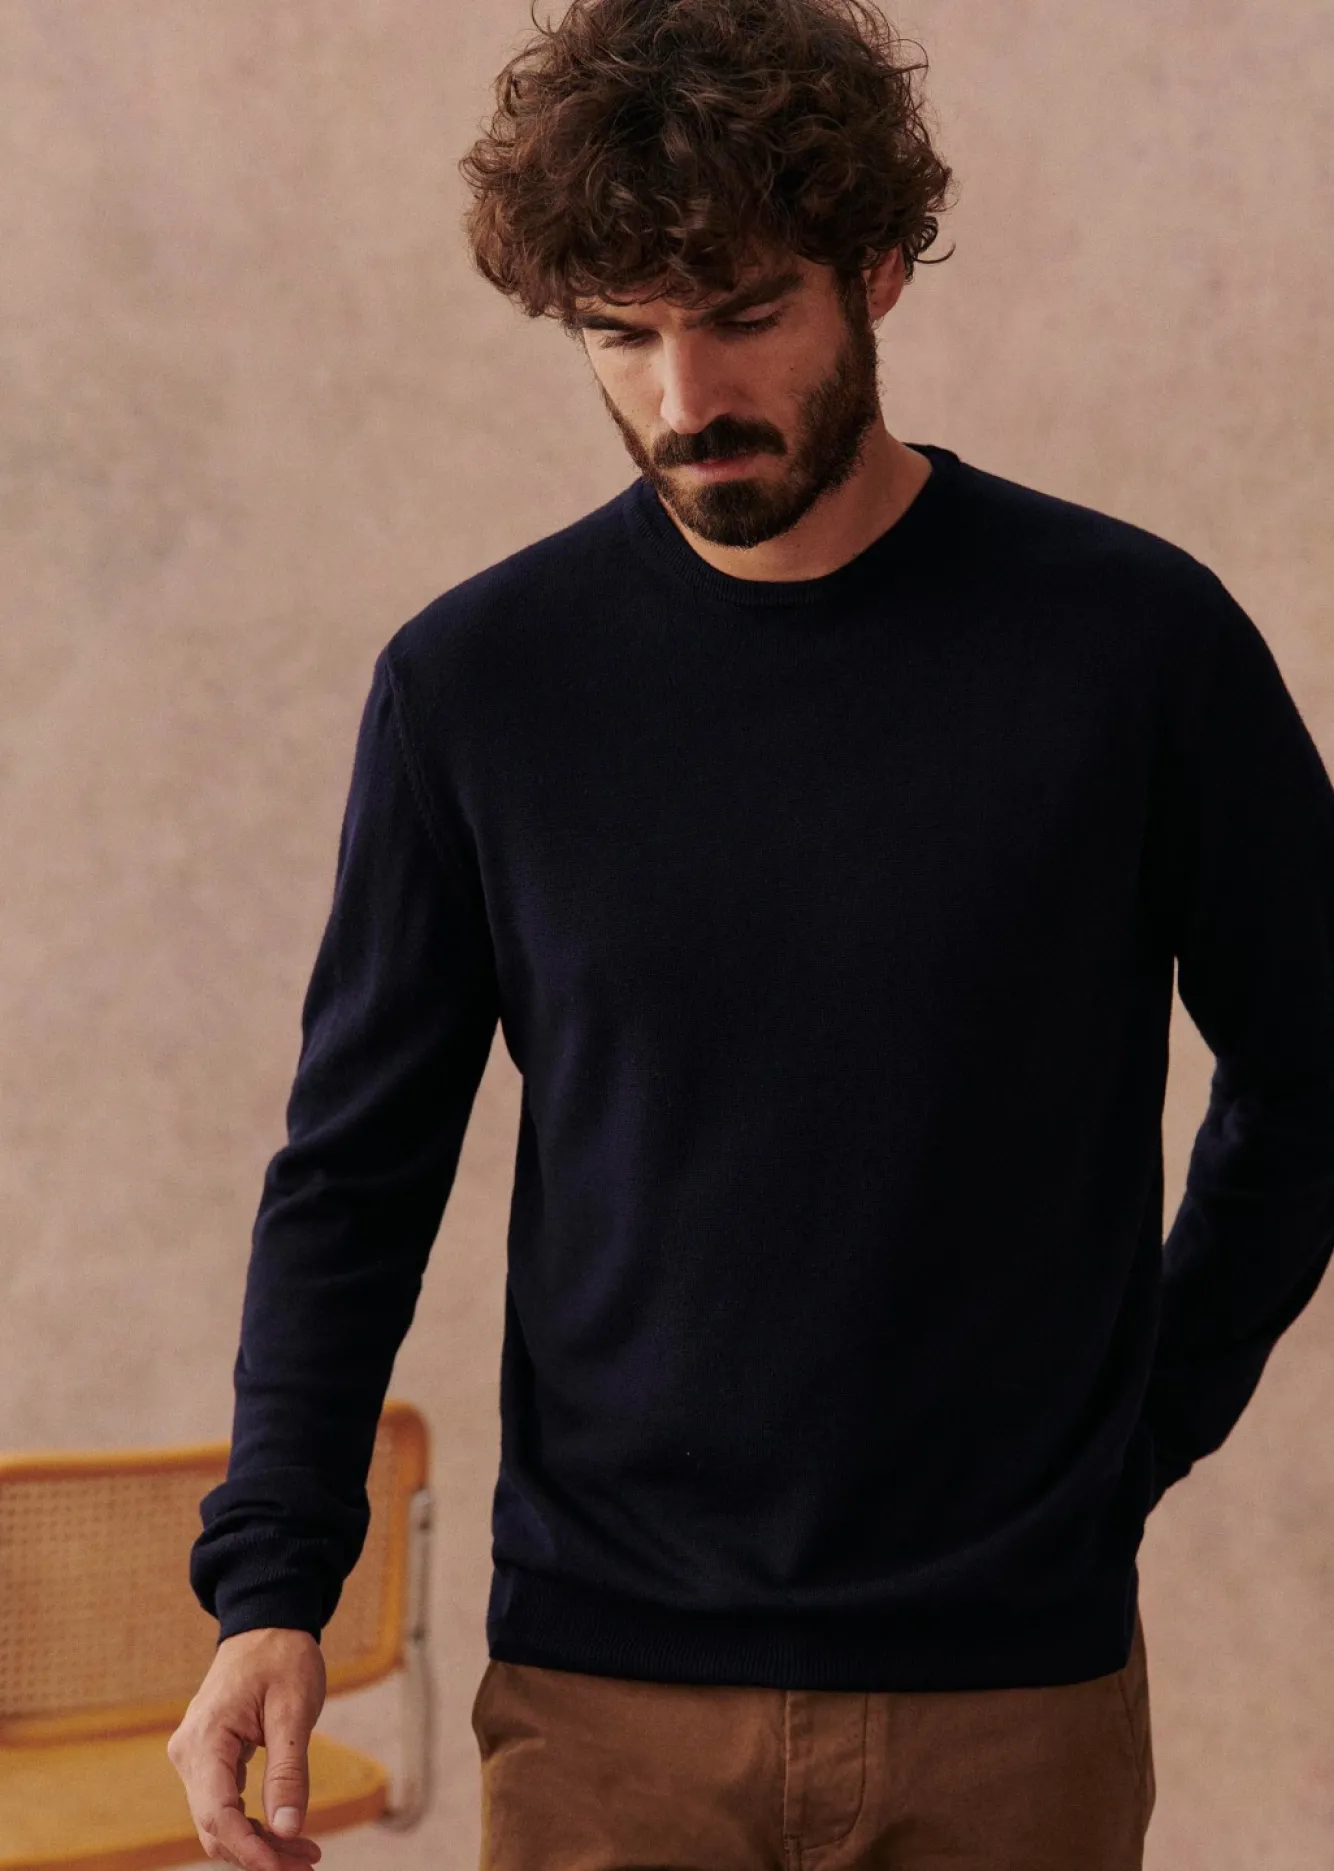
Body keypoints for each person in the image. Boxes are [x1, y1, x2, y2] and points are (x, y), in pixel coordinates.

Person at [166, 1, 1334, 1867]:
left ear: (875, 272)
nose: (681, 393)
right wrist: (271, 1585)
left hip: (1005, 1692)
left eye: (742, 312)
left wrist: (1141, 1419)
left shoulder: (1134, 647)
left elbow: (1314, 1064)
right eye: (618, 332)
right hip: (600, 1697)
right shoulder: (479, 685)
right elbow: (355, 1172)